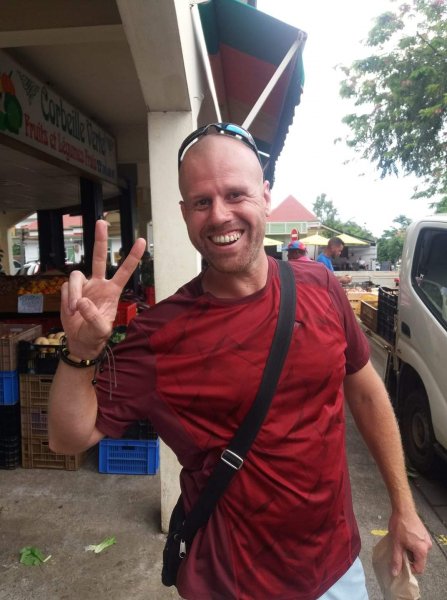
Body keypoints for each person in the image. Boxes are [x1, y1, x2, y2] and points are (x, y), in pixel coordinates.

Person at [48, 122, 431, 600]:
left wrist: (403, 506)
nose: (219, 215)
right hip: (232, 584)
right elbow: (68, 438)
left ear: (265, 197)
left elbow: (366, 390)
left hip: (337, 567)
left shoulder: (320, 287)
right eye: (202, 202)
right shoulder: (159, 336)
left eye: (235, 194)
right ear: (185, 214)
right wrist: (81, 351)